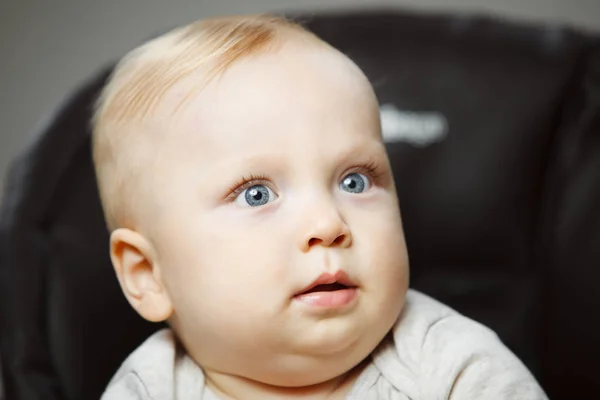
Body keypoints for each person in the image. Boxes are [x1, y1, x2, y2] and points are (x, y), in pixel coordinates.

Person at [93, 14, 547, 400]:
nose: (328, 223)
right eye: (257, 194)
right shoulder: (147, 388)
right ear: (147, 275)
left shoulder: (456, 369)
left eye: (355, 181)